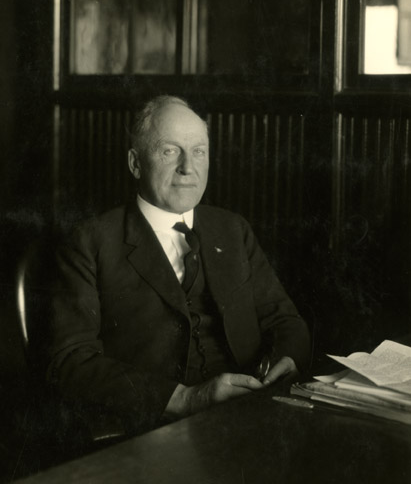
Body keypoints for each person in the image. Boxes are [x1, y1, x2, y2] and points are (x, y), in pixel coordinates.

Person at [47, 95, 310, 435]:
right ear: (136, 163)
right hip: (150, 432)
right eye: (170, 151)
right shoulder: (90, 242)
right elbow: (71, 362)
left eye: (199, 151)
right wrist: (186, 399)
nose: (189, 167)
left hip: (250, 416)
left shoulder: (232, 229)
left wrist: (285, 362)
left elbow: (285, 320)